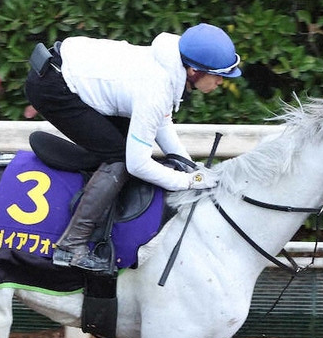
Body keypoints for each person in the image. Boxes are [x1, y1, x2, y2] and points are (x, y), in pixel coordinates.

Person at [24, 22, 242, 273]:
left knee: (120, 145)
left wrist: (190, 166)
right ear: (194, 70)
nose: (221, 83)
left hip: (65, 70)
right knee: (119, 156)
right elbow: (137, 164)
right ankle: (72, 246)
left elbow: (160, 120)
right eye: (218, 76)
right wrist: (189, 182)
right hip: (53, 86)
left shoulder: (171, 62)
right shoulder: (156, 86)